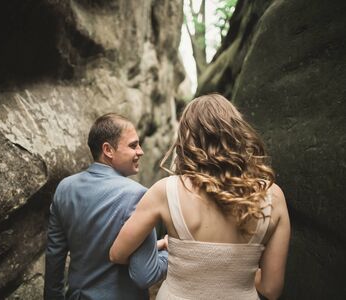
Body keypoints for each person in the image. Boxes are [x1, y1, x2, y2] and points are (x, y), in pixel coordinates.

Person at [110, 94, 291, 300]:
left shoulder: (165, 190)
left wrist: (168, 251)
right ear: (237, 134)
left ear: (186, 138)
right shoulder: (273, 195)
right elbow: (271, 288)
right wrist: (237, 272)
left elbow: (118, 254)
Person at [45, 113, 168, 300]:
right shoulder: (139, 195)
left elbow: (55, 258)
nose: (141, 151)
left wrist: (159, 245)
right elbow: (145, 275)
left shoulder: (64, 188)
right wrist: (172, 253)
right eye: (133, 145)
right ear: (108, 150)